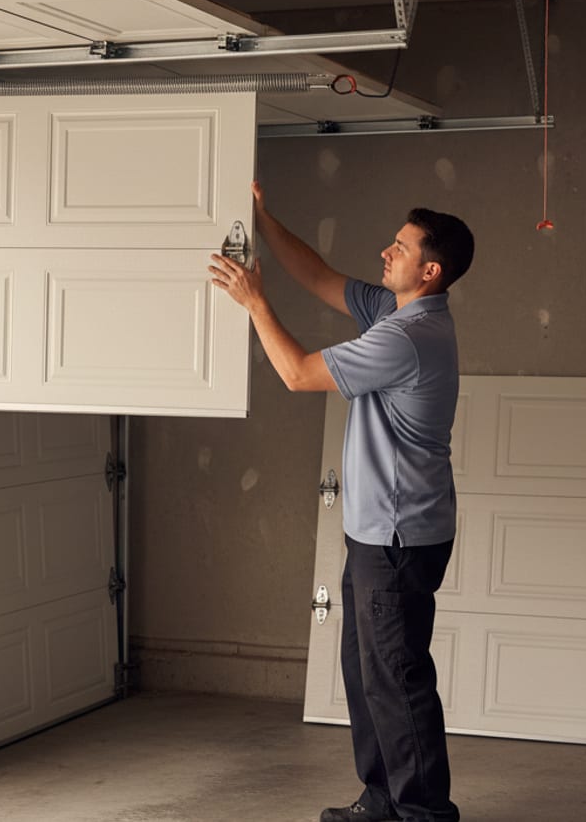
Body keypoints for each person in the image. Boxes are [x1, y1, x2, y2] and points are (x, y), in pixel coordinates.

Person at [208, 182, 474, 822]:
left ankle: (423, 814)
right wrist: (265, 221)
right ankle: (383, 799)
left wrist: (253, 301)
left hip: (399, 538)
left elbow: (298, 374)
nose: (386, 251)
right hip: (376, 533)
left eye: (401, 247)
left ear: (430, 270)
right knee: (367, 673)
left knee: (398, 680)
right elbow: (322, 277)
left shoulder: (408, 337)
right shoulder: (395, 311)